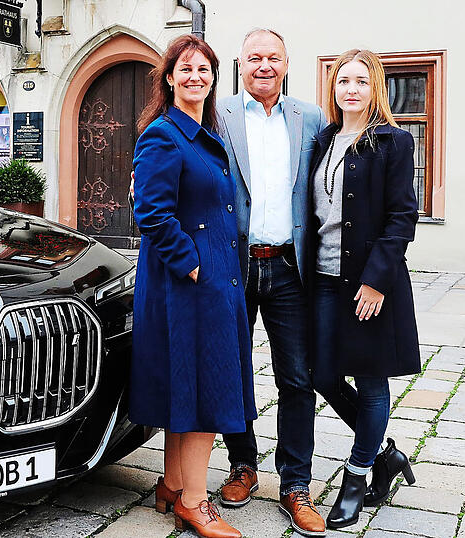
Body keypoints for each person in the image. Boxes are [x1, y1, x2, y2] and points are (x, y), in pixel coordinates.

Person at [131, 34, 252, 538]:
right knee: (206, 388)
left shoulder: (204, 134)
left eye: (204, 70)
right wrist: (192, 265)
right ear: (169, 77)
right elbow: (151, 213)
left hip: (212, 281)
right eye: (186, 69)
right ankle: (197, 503)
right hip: (189, 285)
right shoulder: (163, 135)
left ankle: (172, 484)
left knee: (189, 385)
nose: (196, 77)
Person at [215, 29, 327, 537]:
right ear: (239, 65)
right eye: (253, 57)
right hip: (235, 265)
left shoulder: (310, 118)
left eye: (273, 57)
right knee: (234, 371)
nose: (263, 64)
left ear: (286, 64)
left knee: (297, 378)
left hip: (288, 266)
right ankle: (242, 465)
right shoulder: (217, 117)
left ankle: (295, 483)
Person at [307, 48, 420, 529]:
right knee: (322, 375)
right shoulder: (324, 139)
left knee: (371, 382)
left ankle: (357, 477)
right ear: (333, 89)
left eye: (361, 80)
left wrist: (376, 281)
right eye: (342, 81)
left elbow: (402, 217)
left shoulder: (393, 142)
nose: (351, 89)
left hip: (370, 282)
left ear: (375, 87)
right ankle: (386, 454)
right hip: (324, 279)